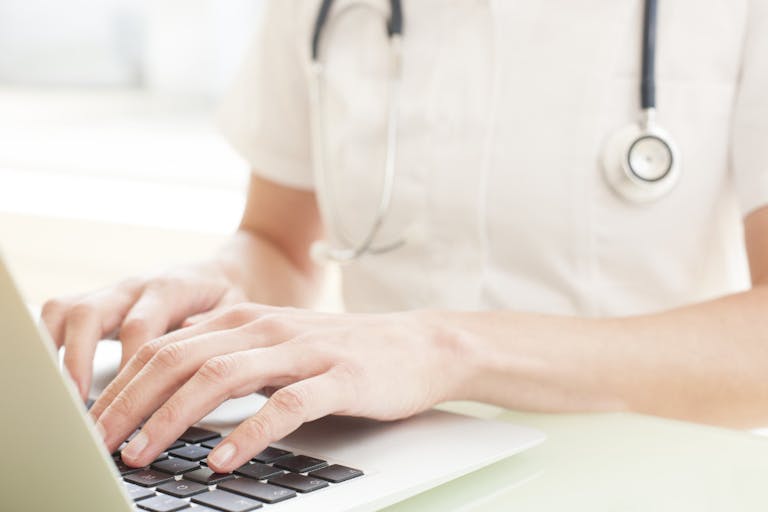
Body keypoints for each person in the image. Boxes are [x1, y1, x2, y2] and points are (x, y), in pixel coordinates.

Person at [42, 0, 768, 475]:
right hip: (365, 465)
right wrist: (209, 289)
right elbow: (279, 244)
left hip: (644, 469)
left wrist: (444, 349)